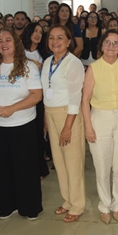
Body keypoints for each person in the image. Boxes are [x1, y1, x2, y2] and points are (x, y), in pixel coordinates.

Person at [0, 29, 43, 220]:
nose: (4, 44)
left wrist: (12, 108)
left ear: (16, 44)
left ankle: (29, 207)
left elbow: (36, 95)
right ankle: (6, 205)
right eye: (0, 41)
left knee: (25, 167)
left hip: (23, 124)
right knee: (1, 167)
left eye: (8, 40)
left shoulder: (28, 66)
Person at [81, 30, 118, 224]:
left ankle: (117, 204)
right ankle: (104, 205)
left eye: (115, 43)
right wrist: (88, 126)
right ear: (101, 45)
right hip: (99, 118)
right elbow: (85, 99)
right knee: (102, 166)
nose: (111, 46)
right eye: (107, 43)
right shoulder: (93, 68)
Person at [42, 24, 86, 223]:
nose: (55, 41)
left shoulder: (73, 63)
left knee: (73, 161)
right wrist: (46, 118)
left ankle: (77, 204)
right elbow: (46, 92)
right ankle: (67, 200)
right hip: (51, 113)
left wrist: (68, 127)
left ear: (69, 41)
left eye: (60, 38)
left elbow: (76, 98)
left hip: (69, 115)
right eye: (51, 37)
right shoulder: (47, 62)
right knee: (59, 161)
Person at [21, 22, 50, 176]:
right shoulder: (19, 51)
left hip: (38, 97)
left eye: (40, 31)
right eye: (35, 31)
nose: (38, 34)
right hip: (20, 97)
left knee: (38, 133)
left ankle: (40, 168)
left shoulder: (44, 54)